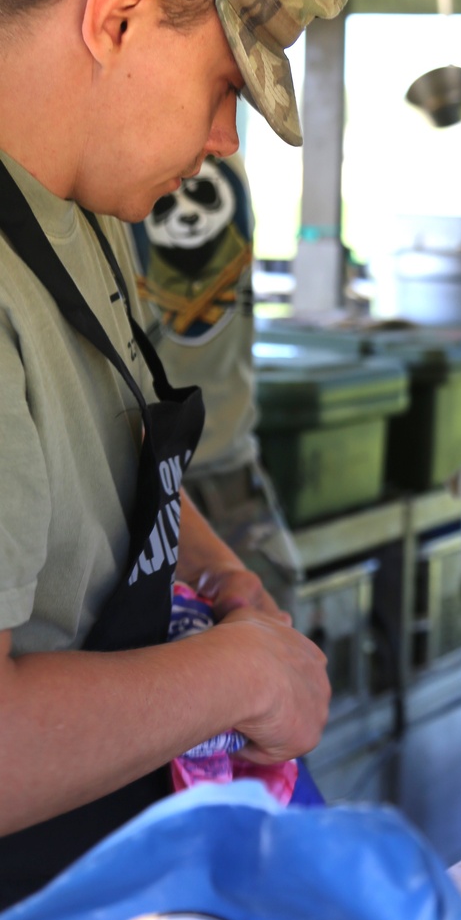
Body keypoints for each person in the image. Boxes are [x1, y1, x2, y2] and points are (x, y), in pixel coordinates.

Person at [0, 0, 350, 907]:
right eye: (222, 89)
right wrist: (233, 678)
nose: (222, 143)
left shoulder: (68, 196)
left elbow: (100, 442)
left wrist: (215, 569)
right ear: (118, 17)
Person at [129, 152, 304, 606]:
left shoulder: (210, 145)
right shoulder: (218, 152)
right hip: (146, 476)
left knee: (269, 643)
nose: (226, 129)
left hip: (208, 468)